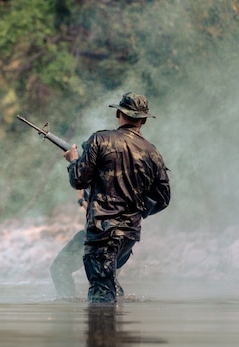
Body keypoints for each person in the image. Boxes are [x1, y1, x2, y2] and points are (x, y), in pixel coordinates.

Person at [62, 92, 171, 303]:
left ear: (118, 113)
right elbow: (163, 198)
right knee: (108, 289)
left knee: (101, 299)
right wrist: (136, 211)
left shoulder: (99, 140)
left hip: (102, 233)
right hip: (129, 235)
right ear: (144, 120)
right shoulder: (152, 152)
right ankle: (117, 333)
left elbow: (78, 180)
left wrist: (73, 159)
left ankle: (104, 334)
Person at [50, 189, 127, 299]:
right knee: (107, 279)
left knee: (60, 267)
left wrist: (81, 200)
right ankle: (115, 307)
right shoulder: (125, 178)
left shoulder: (98, 175)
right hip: (122, 237)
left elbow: (100, 212)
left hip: (99, 235)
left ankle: (67, 307)